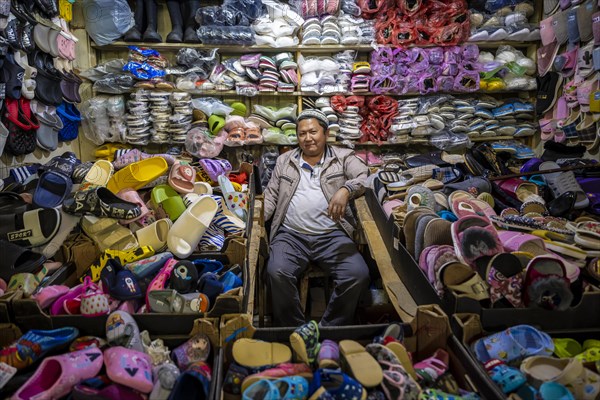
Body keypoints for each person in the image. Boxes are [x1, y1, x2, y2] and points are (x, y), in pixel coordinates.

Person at [263, 109, 370, 327]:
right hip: (291, 235)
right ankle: (296, 330)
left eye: (313, 132)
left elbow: (365, 176)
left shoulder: (342, 158)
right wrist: (252, 219)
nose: (308, 138)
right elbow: (271, 195)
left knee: (357, 274)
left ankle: (331, 328)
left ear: (326, 133)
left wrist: (346, 190)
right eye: (302, 133)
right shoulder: (285, 160)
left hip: (332, 235)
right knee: (276, 273)